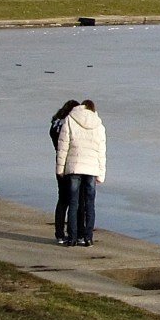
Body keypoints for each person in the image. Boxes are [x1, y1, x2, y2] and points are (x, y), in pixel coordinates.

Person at [53, 98, 106, 246]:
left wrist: (60, 169)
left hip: (74, 167)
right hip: (92, 168)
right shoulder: (99, 125)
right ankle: (88, 237)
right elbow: (101, 151)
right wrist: (101, 173)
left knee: (73, 202)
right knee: (89, 204)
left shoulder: (70, 120)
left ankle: (72, 238)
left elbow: (63, 146)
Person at [48, 99, 80, 243]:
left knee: (62, 200)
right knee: (74, 200)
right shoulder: (68, 124)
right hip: (70, 163)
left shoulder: (55, 123)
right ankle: (74, 232)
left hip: (59, 161)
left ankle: (59, 233)